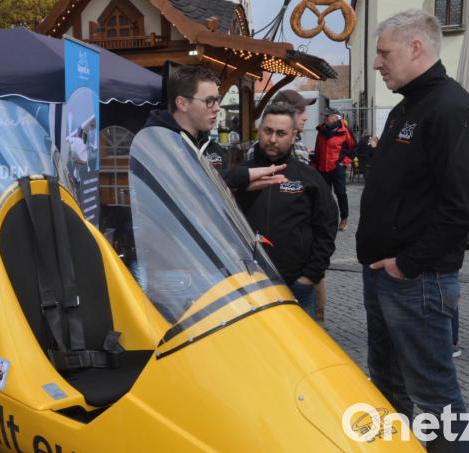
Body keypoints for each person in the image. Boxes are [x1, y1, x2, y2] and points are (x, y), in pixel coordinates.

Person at [356, 10, 469, 452]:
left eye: (382, 52)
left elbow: (463, 206)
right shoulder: (407, 108)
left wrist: (407, 265)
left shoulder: (450, 108)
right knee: (389, 387)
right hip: (385, 275)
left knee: (435, 397)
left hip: (417, 280)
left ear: (416, 48)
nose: (376, 63)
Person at [235, 102, 337, 318]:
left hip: (296, 286)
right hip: (247, 286)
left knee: (298, 350)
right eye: (268, 131)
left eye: (281, 133)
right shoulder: (239, 175)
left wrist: (310, 275)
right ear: (259, 131)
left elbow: (327, 226)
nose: (273, 139)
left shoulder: (308, 177)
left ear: (293, 136)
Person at [143, 65, 288, 192]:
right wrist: (241, 177)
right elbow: (185, 184)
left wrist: (243, 189)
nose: (217, 108)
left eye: (217, 100)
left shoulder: (213, 149)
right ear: (182, 103)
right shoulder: (156, 142)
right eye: (209, 101)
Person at [312, 108, 355, 231]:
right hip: (322, 168)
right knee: (325, 195)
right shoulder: (321, 131)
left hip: (337, 168)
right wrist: (315, 165)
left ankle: (344, 218)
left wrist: (344, 162)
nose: (324, 118)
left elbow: (353, 149)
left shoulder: (344, 131)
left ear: (336, 118)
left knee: (341, 193)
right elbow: (317, 150)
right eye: (324, 116)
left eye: (327, 116)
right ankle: (327, 219)